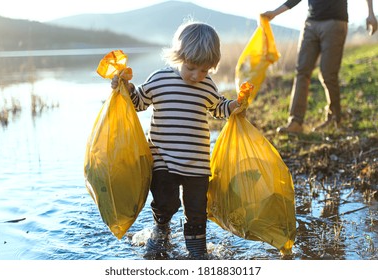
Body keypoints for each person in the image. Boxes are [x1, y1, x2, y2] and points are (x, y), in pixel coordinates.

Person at [111, 21, 244, 259]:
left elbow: (218, 108)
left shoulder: (207, 85)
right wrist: (126, 87)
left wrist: (233, 106)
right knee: (165, 201)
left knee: (197, 209)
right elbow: (138, 102)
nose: (196, 76)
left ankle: (196, 246)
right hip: (163, 157)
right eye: (191, 67)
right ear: (178, 57)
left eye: (204, 70)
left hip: (197, 163)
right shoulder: (160, 79)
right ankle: (161, 229)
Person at [261, 0, 377, 133]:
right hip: (311, 23)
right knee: (302, 72)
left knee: (328, 74)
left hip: (334, 23)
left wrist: (371, 13)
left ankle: (334, 118)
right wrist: (275, 13)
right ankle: (295, 122)